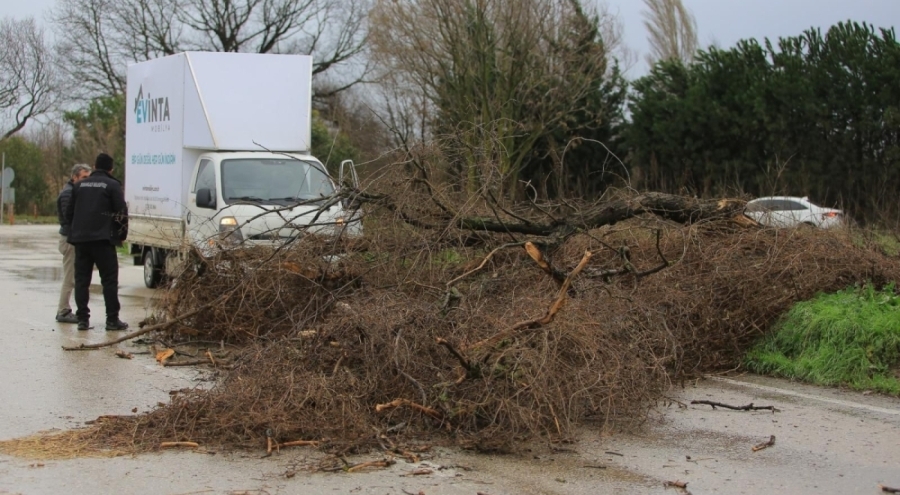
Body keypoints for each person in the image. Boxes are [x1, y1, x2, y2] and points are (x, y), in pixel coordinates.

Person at [66, 153, 129, 331]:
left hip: (82, 240)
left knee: (81, 281)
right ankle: (112, 320)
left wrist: (75, 231)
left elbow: (69, 213)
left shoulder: (78, 186)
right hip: (103, 241)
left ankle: (82, 320)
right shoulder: (113, 185)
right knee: (109, 281)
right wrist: (121, 235)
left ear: (94, 166)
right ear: (111, 169)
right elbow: (121, 213)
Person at [55, 163, 92, 323]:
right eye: (84, 177)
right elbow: (69, 217)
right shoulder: (68, 193)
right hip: (69, 240)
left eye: (88, 178)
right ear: (74, 177)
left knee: (74, 277)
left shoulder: (75, 191)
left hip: (73, 238)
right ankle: (63, 310)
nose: (86, 181)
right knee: (69, 277)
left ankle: (66, 309)